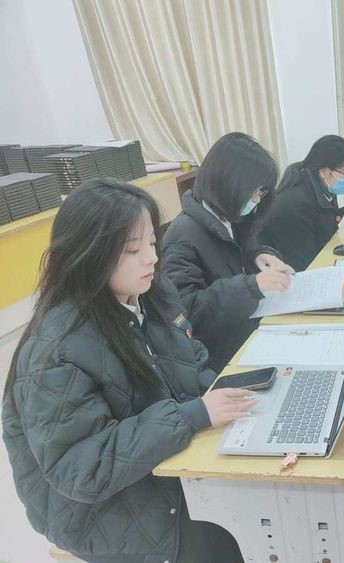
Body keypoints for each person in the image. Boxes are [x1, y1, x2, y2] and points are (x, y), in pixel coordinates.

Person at [2, 180, 257, 562]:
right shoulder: (56, 350)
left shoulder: (150, 295)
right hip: (105, 514)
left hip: (153, 468)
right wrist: (190, 416)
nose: (151, 258)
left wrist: (233, 392)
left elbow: (190, 361)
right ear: (89, 253)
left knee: (265, 499)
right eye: (133, 249)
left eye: (153, 242)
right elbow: (81, 469)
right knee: (237, 536)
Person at [161, 133, 294, 372]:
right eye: (253, 191)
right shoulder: (182, 237)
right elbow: (188, 314)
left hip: (248, 332)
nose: (257, 199)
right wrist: (251, 287)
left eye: (262, 192)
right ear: (228, 182)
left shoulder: (232, 216)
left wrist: (259, 255)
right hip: (220, 358)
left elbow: (240, 255)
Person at [257, 134, 344, 272]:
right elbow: (303, 266)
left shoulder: (324, 188)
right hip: (283, 276)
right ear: (324, 172)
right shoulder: (294, 206)